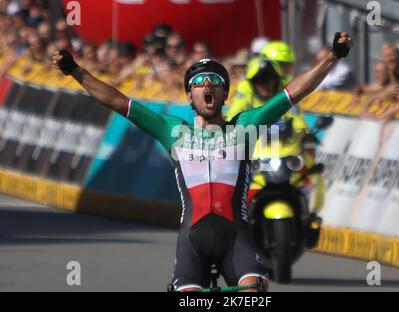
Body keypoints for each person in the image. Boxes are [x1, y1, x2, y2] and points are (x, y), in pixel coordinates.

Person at [52, 32, 353, 292]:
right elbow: (118, 101)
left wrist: (333, 56)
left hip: (236, 239)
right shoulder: (171, 130)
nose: (207, 86)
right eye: (199, 83)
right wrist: (75, 71)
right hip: (192, 241)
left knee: (253, 295)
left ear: (224, 94)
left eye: (215, 83)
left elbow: (294, 92)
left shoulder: (246, 126)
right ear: (190, 94)